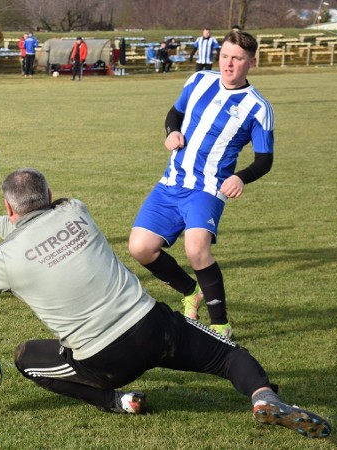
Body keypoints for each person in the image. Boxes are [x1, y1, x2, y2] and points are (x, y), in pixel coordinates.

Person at [0, 168, 331, 440]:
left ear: (10, 210)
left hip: (103, 359)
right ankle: (263, 398)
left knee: (26, 357)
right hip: (155, 326)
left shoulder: (5, 262)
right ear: (50, 197)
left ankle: (115, 401)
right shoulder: (77, 210)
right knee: (229, 355)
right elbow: (32, 217)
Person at [128, 30, 274, 339]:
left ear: (251, 62)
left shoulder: (258, 107)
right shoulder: (198, 81)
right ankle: (190, 291)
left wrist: (240, 177)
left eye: (237, 59)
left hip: (208, 189)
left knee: (196, 249)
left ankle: (220, 325)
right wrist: (171, 131)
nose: (228, 64)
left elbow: (264, 160)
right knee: (140, 248)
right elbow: (175, 113)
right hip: (170, 183)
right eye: (224, 56)